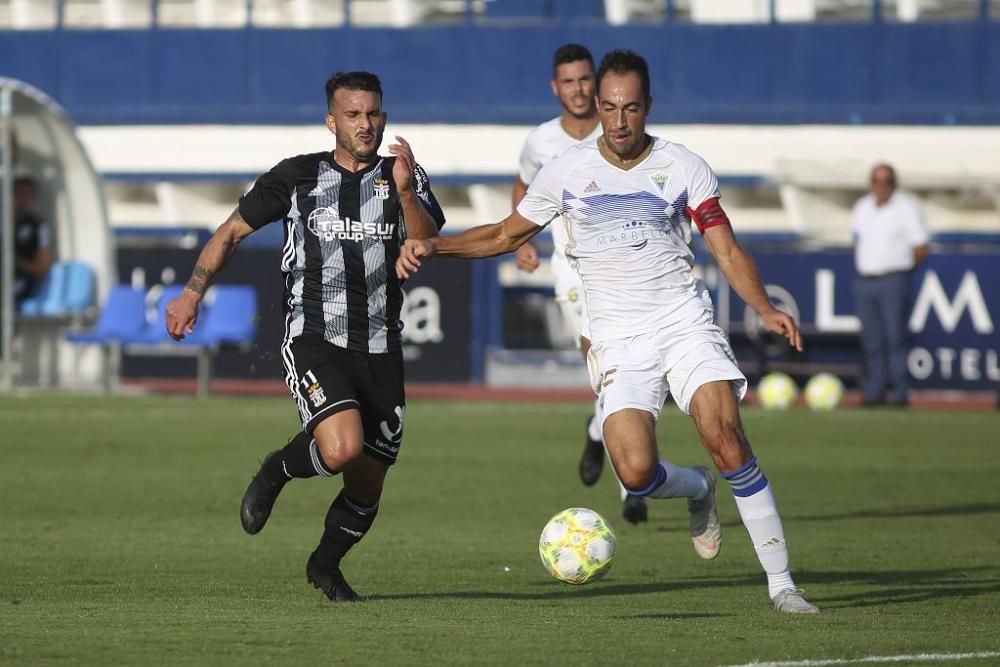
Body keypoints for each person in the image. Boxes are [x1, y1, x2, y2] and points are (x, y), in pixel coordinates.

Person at [398, 50, 818, 614]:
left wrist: (762, 306)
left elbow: (726, 247)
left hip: (683, 323)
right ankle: (697, 489)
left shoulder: (684, 165)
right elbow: (503, 233)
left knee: (725, 436)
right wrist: (434, 245)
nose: (619, 122)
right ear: (597, 105)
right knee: (636, 473)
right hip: (618, 338)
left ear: (649, 107)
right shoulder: (567, 170)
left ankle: (783, 584)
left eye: (631, 108)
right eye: (610, 108)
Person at [166, 71, 445, 602]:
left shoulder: (403, 175)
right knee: (340, 448)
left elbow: (430, 242)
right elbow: (230, 232)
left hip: (382, 346)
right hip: (315, 336)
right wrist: (192, 292)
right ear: (331, 121)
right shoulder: (296, 177)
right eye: (354, 115)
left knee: (367, 482)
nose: (367, 125)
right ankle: (277, 469)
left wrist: (407, 191)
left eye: (374, 114)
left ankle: (325, 565)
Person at [513, 43, 648, 526]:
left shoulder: (620, 132)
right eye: (568, 81)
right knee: (608, 365)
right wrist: (522, 240)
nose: (578, 89)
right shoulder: (542, 142)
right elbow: (524, 187)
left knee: (634, 368)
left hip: (625, 271)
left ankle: (598, 432)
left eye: (585, 80)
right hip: (573, 272)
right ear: (556, 87)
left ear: (598, 82)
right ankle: (632, 486)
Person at [852, 163, 929, 407]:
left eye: (886, 181)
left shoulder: (906, 208)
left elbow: (921, 247)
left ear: (894, 183)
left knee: (896, 338)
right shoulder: (862, 207)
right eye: (877, 181)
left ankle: (899, 393)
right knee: (872, 340)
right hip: (866, 279)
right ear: (871, 183)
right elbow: (857, 241)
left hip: (893, 279)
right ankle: (874, 391)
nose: (881, 186)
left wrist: (901, 269)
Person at [13, 176, 54, 307]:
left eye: (29, 195)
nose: (24, 199)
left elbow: (42, 267)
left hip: (20, 284)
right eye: (20, 194)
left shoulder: (38, 226)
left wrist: (16, 263)